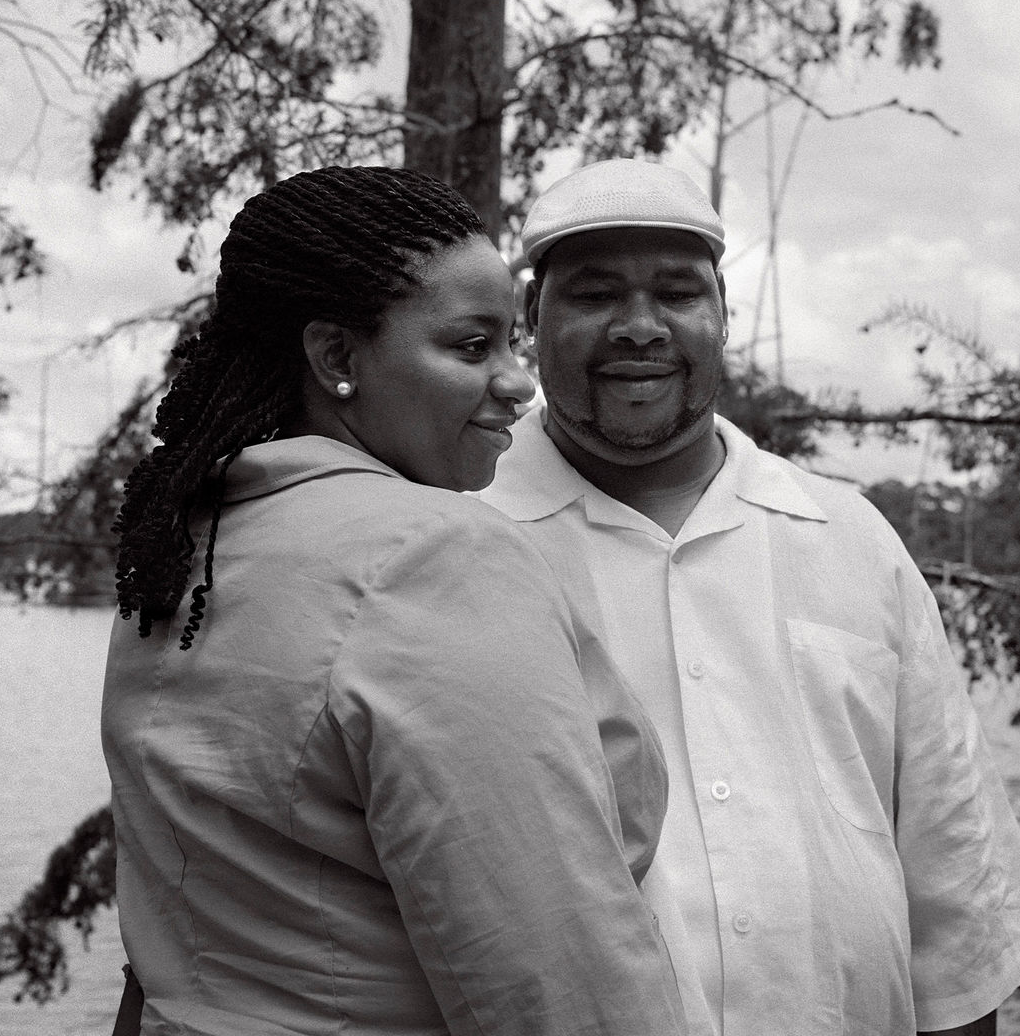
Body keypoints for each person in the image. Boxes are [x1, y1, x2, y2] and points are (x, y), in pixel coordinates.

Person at [480, 159, 1020, 1036]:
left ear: (722, 312)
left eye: (677, 292)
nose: (639, 327)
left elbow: (954, 890)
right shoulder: (456, 539)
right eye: (595, 294)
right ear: (532, 319)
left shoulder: (851, 539)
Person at [103, 165, 687, 1036]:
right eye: (472, 347)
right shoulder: (433, 558)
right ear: (338, 357)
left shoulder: (186, 550)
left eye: (512, 344)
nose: (518, 383)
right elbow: (556, 973)